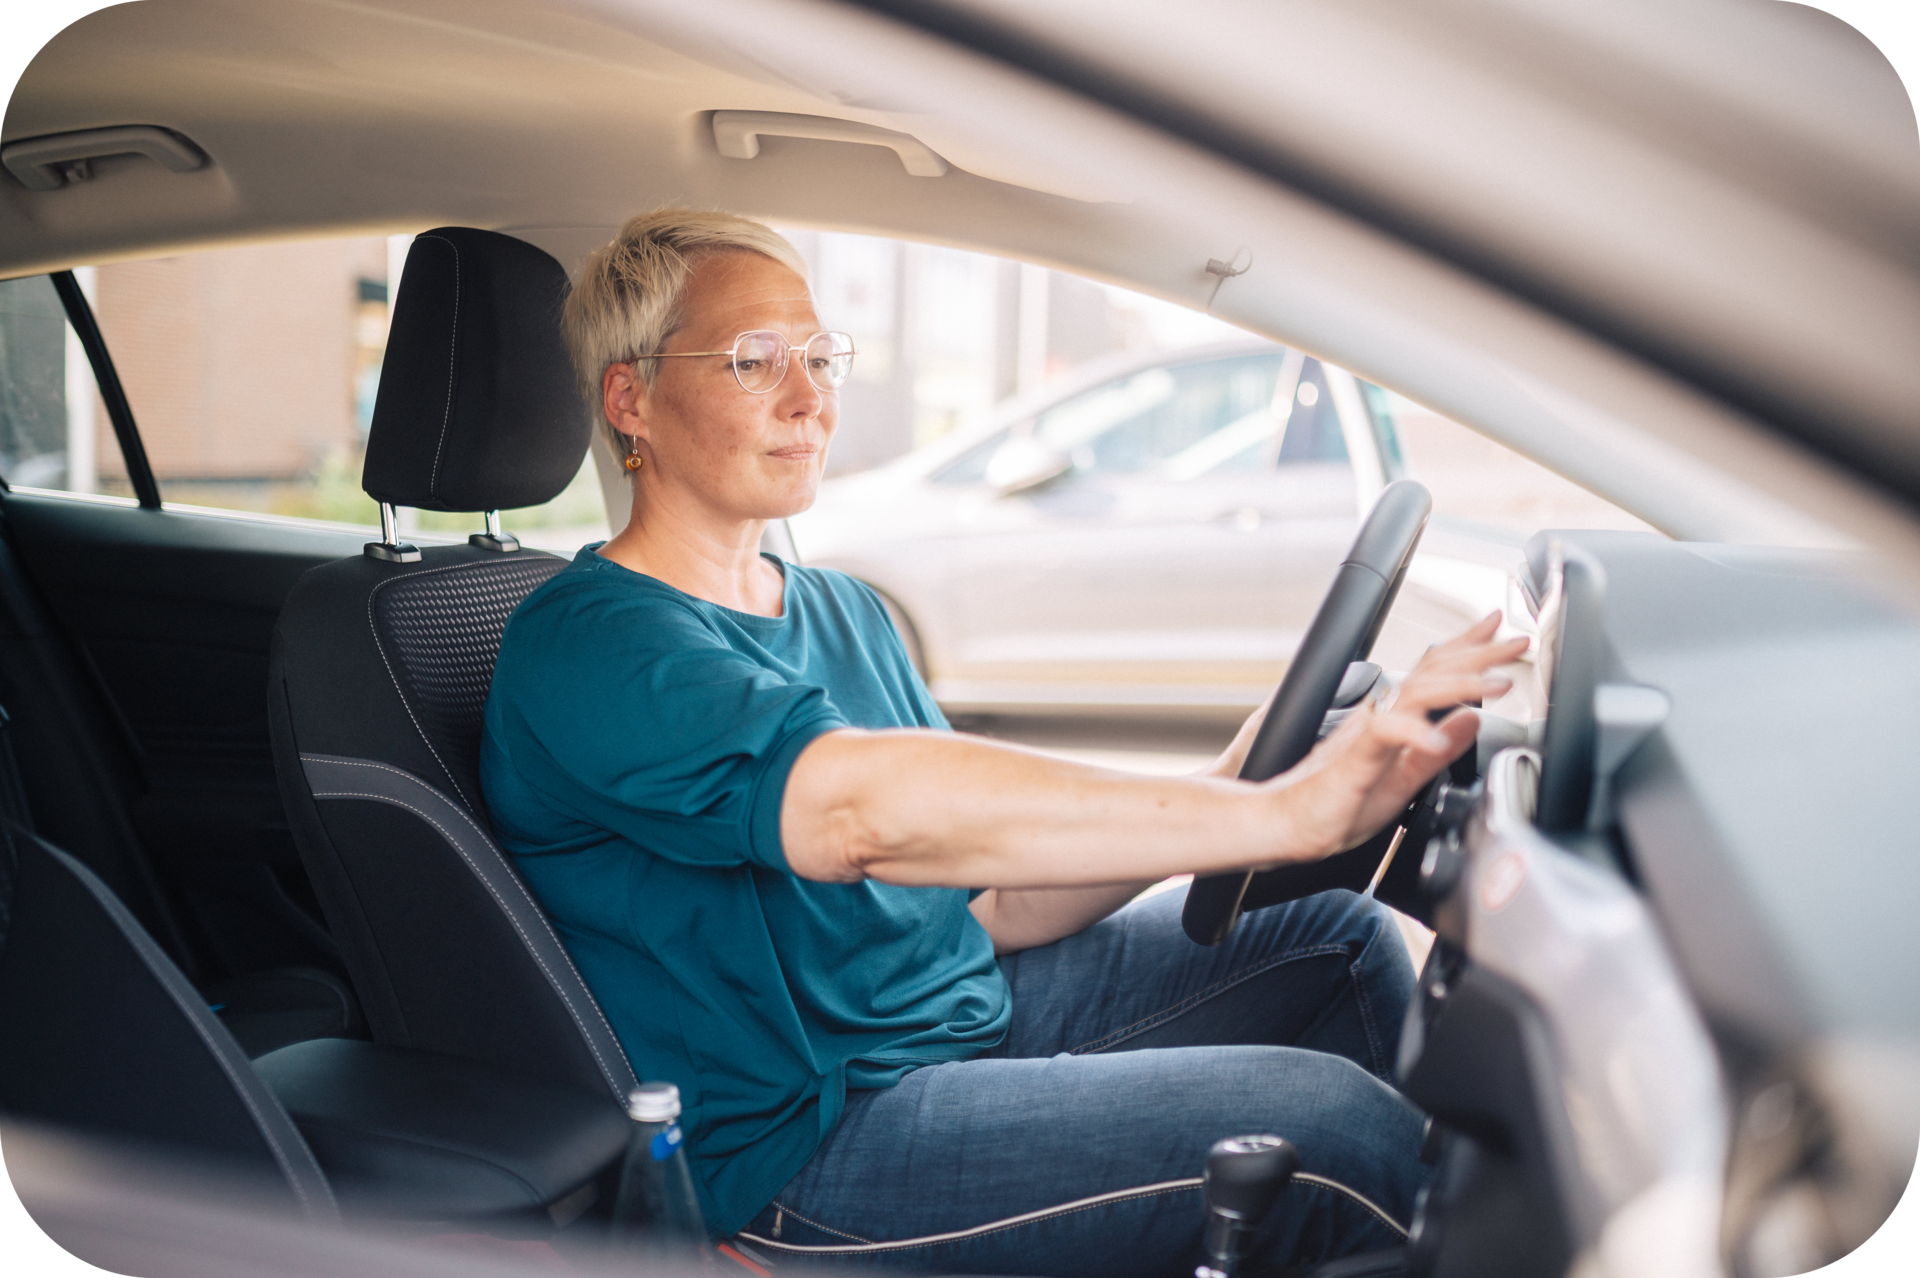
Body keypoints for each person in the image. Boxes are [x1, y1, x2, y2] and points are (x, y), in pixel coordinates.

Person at [480, 208, 1528, 1277]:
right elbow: (857, 814)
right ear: (631, 399)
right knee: (1332, 1131)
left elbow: (992, 900)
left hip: (970, 1011)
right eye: (754, 361)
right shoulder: (588, 641)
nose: (811, 398)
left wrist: (1223, 786)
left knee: (1338, 936)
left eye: (820, 354)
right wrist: (1275, 813)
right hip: (818, 1140)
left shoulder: (840, 608)